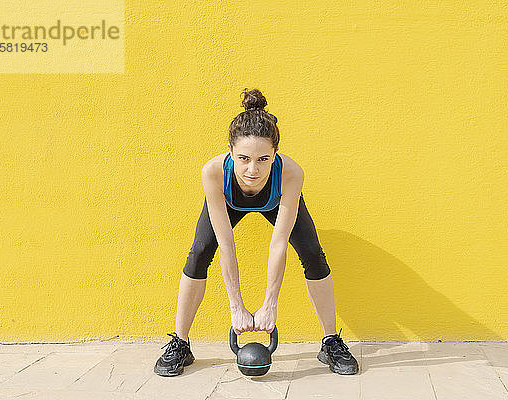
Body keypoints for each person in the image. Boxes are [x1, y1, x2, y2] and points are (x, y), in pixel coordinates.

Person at [154, 88, 359, 376]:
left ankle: (330, 342)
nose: (253, 169)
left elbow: (279, 245)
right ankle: (181, 343)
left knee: (313, 253)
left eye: (264, 159)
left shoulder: (291, 173)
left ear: (276, 153)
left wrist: (269, 306)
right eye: (244, 158)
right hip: (229, 201)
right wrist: (236, 306)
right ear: (230, 152)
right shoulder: (213, 172)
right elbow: (227, 246)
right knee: (200, 252)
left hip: (275, 200)